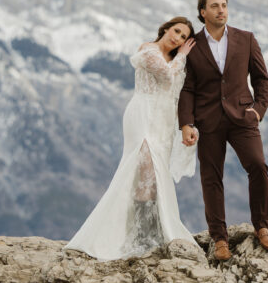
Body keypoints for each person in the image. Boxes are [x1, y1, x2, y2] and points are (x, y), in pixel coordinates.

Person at [65, 17, 200, 259]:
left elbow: (178, 92)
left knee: (156, 176)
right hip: (143, 115)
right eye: (176, 31)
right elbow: (167, 77)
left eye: (183, 37)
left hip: (164, 121)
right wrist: (183, 56)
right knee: (144, 170)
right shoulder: (148, 50)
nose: (177, 38)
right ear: (166, 28)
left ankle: (153, 231)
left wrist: (187, 124)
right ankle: (139, 236)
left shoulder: (175, 60)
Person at [178, 0, 268, 261]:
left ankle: (262, 226)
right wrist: (186, 122)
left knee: (258, 165)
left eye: (224, 5)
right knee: (211, 178)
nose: (221, 10)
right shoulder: (193, 46)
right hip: (208, 119)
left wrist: (258, 110)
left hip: (243, 117)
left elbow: (262, 79)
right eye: (214, 6)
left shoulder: (246, 39)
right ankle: (219, 238)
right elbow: (187, 88)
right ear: (203, 12)